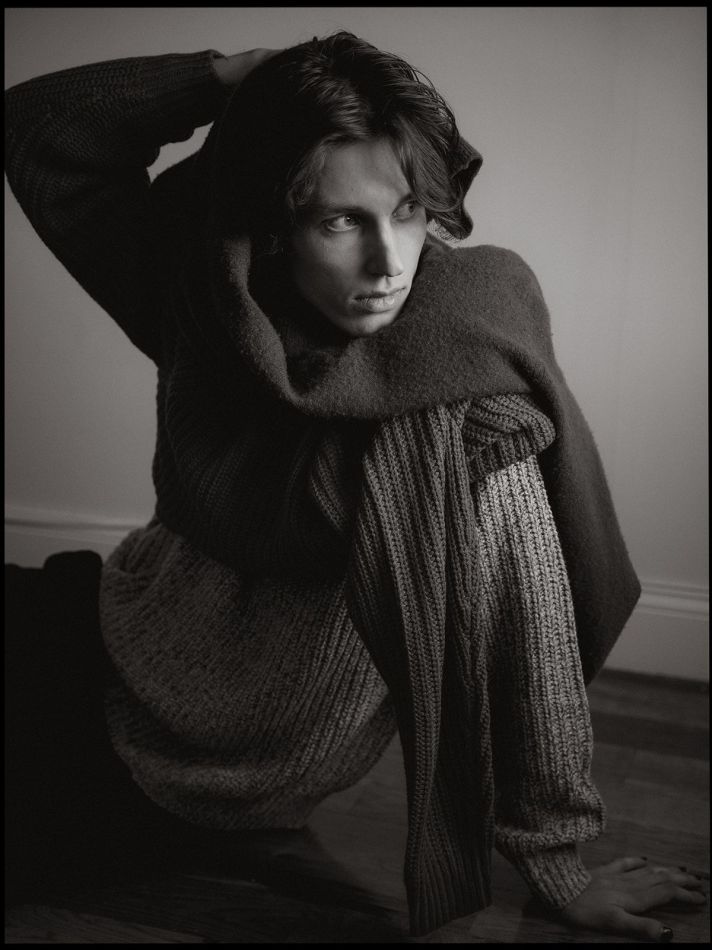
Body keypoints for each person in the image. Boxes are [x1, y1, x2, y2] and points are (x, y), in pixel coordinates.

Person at [4, 30, 705, 943]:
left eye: (408, 211)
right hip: (104, 625)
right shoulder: (219, 302)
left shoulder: (464, 395)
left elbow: (531, 628)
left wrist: (557, 864)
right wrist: (227, 76)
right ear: (273, 223)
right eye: (340, 221)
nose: (388, 263)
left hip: (173, 761)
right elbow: (43, 129)